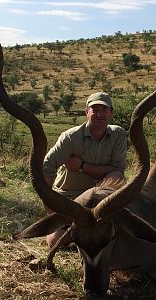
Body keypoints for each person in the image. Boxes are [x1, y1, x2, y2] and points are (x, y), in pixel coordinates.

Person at [43, 92, 127, 247]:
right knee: (56, 241)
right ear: (86, 112)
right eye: (95, 109)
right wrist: (50, 210)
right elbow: (47, 166)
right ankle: (80, 235)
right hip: (70, 199)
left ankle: (97, 231)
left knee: (117, 176)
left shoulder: (118, 134)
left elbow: (118, 170)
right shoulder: (70, 137)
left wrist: (82, 166)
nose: (99, 114)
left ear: (111, 112)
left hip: (99, 202)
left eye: (104, 109)